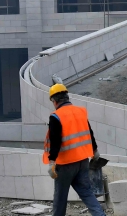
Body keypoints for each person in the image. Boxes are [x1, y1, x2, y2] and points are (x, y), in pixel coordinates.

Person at [43, 84, 107, 216]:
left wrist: (51, 162)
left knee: (60, 199)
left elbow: (55, 141)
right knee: (87, 193)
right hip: (82, 161)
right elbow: (89, 132)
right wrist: (95, 151)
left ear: (54, 101)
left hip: (65, 164)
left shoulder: (56, 116)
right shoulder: (81, 111)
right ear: (66, 97)